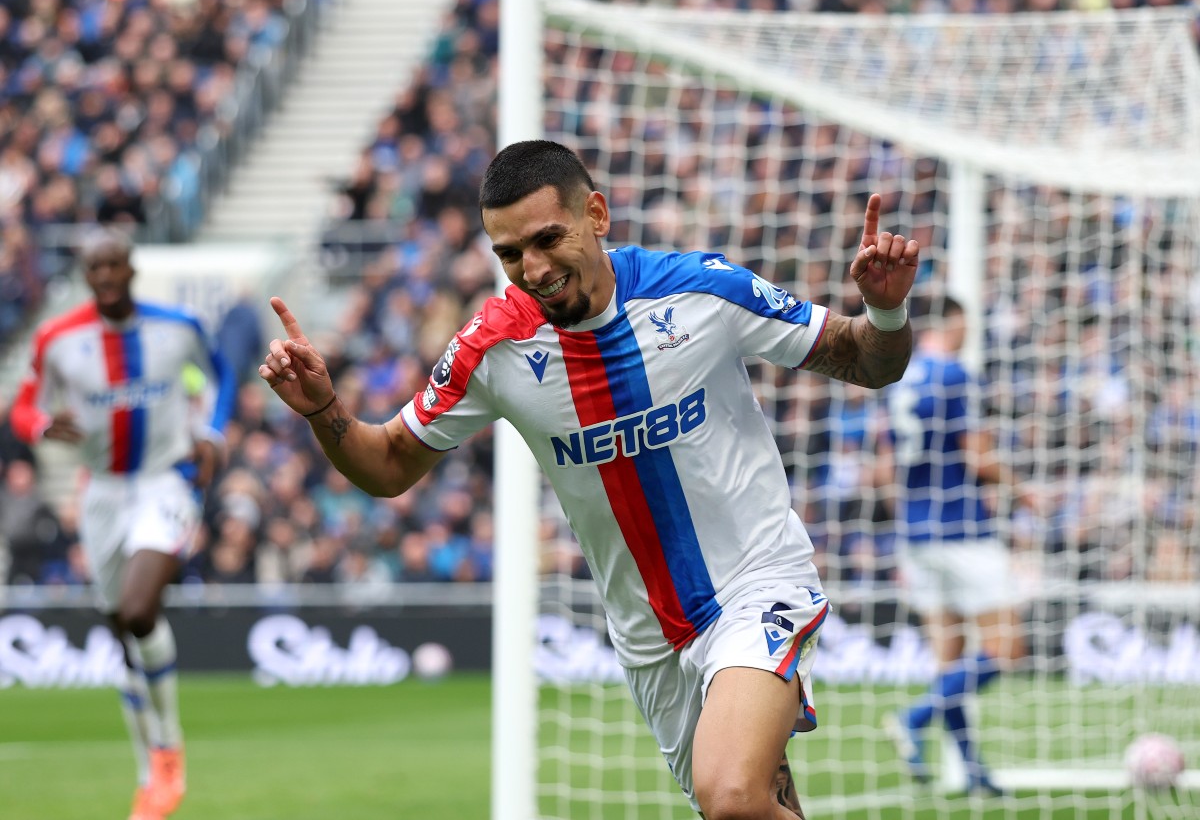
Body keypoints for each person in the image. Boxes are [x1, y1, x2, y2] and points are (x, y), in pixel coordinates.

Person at [259, 139, 919, 818]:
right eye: (511, 254)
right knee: (755, 805)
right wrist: (324, 409)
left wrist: (887, 313)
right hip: (648, 635)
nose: (534, 269)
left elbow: (864, 360)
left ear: (596, 214)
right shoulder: (492, 347)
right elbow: (389, 463)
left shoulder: (699, 289)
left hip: (756, 583)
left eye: (548, 238)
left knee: (733, 795)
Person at [9, 226, 236, 820]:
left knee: (138, 612)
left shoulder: (177, 327)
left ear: (131, 267)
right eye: (95, 268)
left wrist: (209, 434)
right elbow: (25, 402)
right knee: (122, 634)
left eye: (115, 264)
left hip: (164, 480)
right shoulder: (60, 339)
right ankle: (149, 772)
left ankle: (168, 746)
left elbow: (221, 375)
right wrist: (38, 427)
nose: (106, 276)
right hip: (101, 494)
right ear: (86, 277)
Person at [881, 294, 1032, 797]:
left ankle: (972, 771)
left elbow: (884, 466)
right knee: (1006, 646)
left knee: (952, 660)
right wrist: (1023, 491)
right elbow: (978, 456)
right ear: (954, 324)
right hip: (962, 527)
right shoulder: (955, 376)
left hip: (915, 531)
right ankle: (914, 717)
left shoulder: (899, 378)